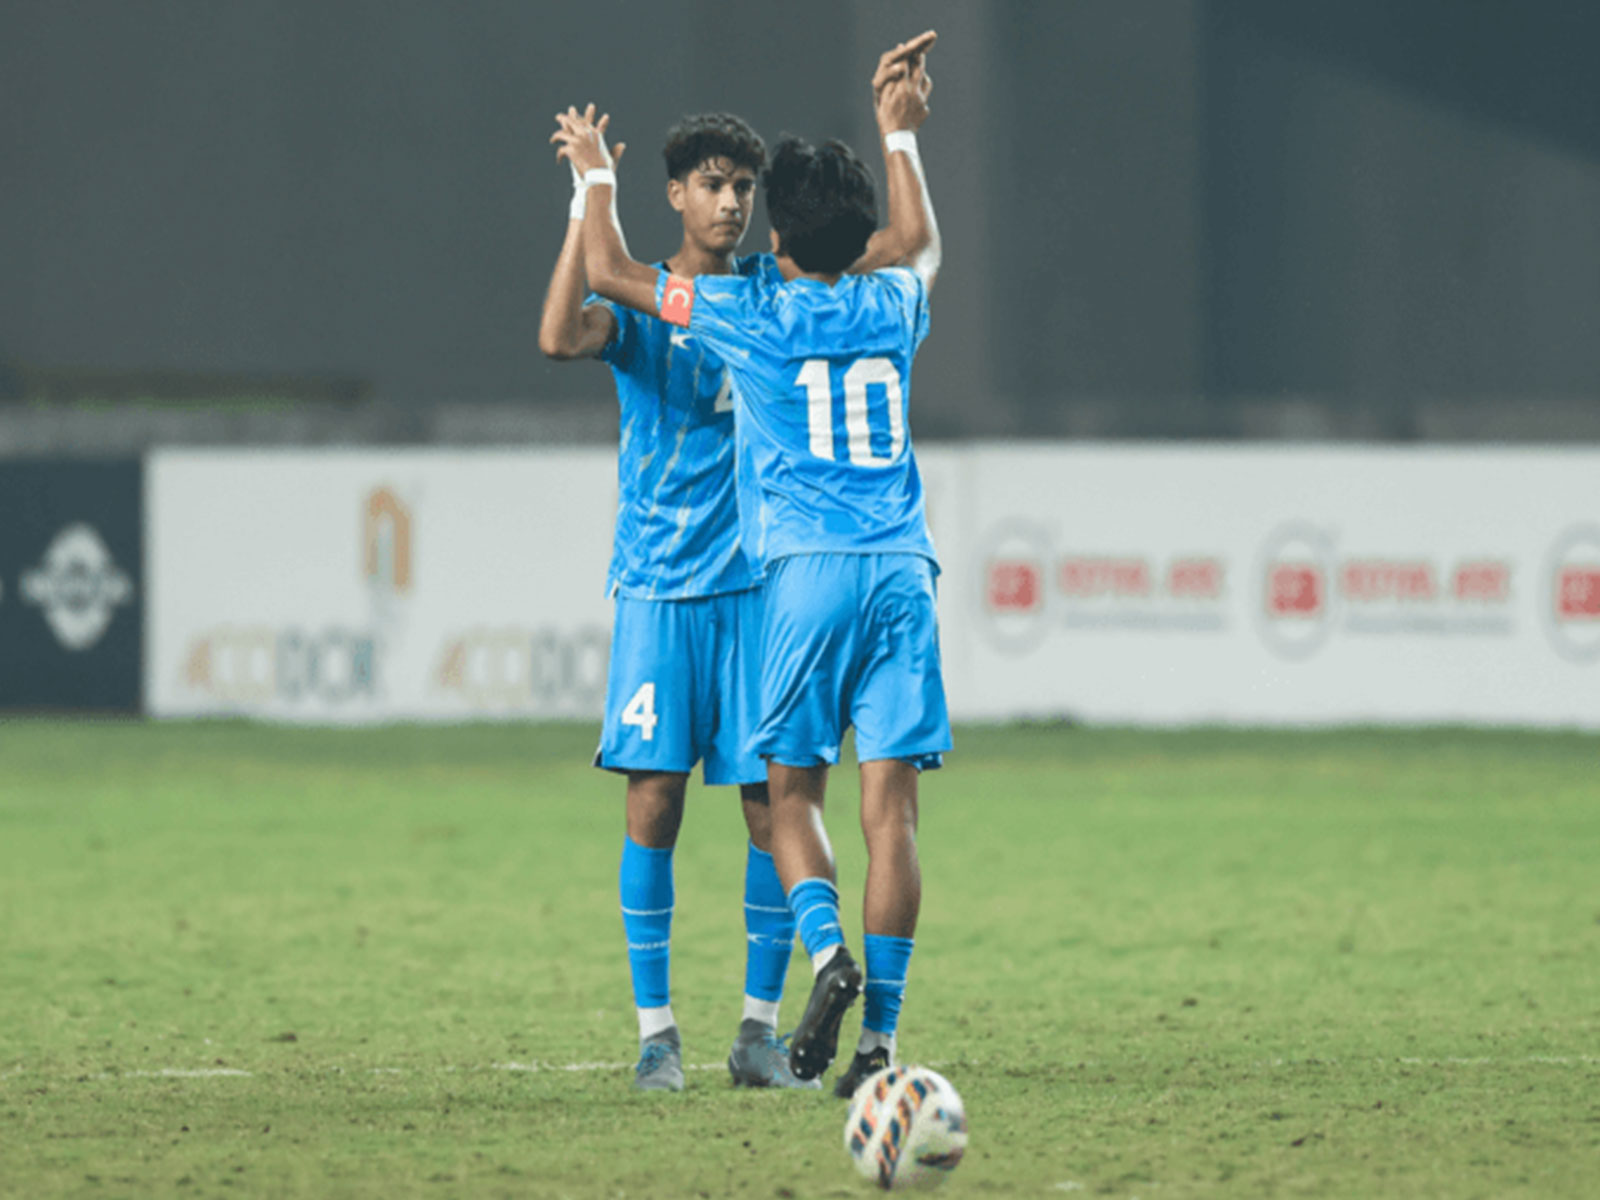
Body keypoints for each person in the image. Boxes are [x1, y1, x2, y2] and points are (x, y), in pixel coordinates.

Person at [553, 30, 947, 1099]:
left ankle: (824, 962)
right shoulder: (900, 299)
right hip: (903, 572)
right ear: (859, 234)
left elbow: (607, 274)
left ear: (776, 233)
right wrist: (898, 130)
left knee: (788, 795)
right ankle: (880, 1044)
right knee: (892, 811)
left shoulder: (751, 311)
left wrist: (596, 175)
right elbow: (914, 242)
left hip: (801, 581)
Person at [538, 108, 815, 1092]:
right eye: (712, 183)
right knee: (652, 805)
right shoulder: (649, 303)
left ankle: (756, 1031)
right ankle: (657, 1035)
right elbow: (559, 335)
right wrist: (584, 202)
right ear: (674, 194)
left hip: (754, 590)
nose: (732, 201)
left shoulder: (769, 298)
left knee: (768, 808)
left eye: (743, 186)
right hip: (659, 589)